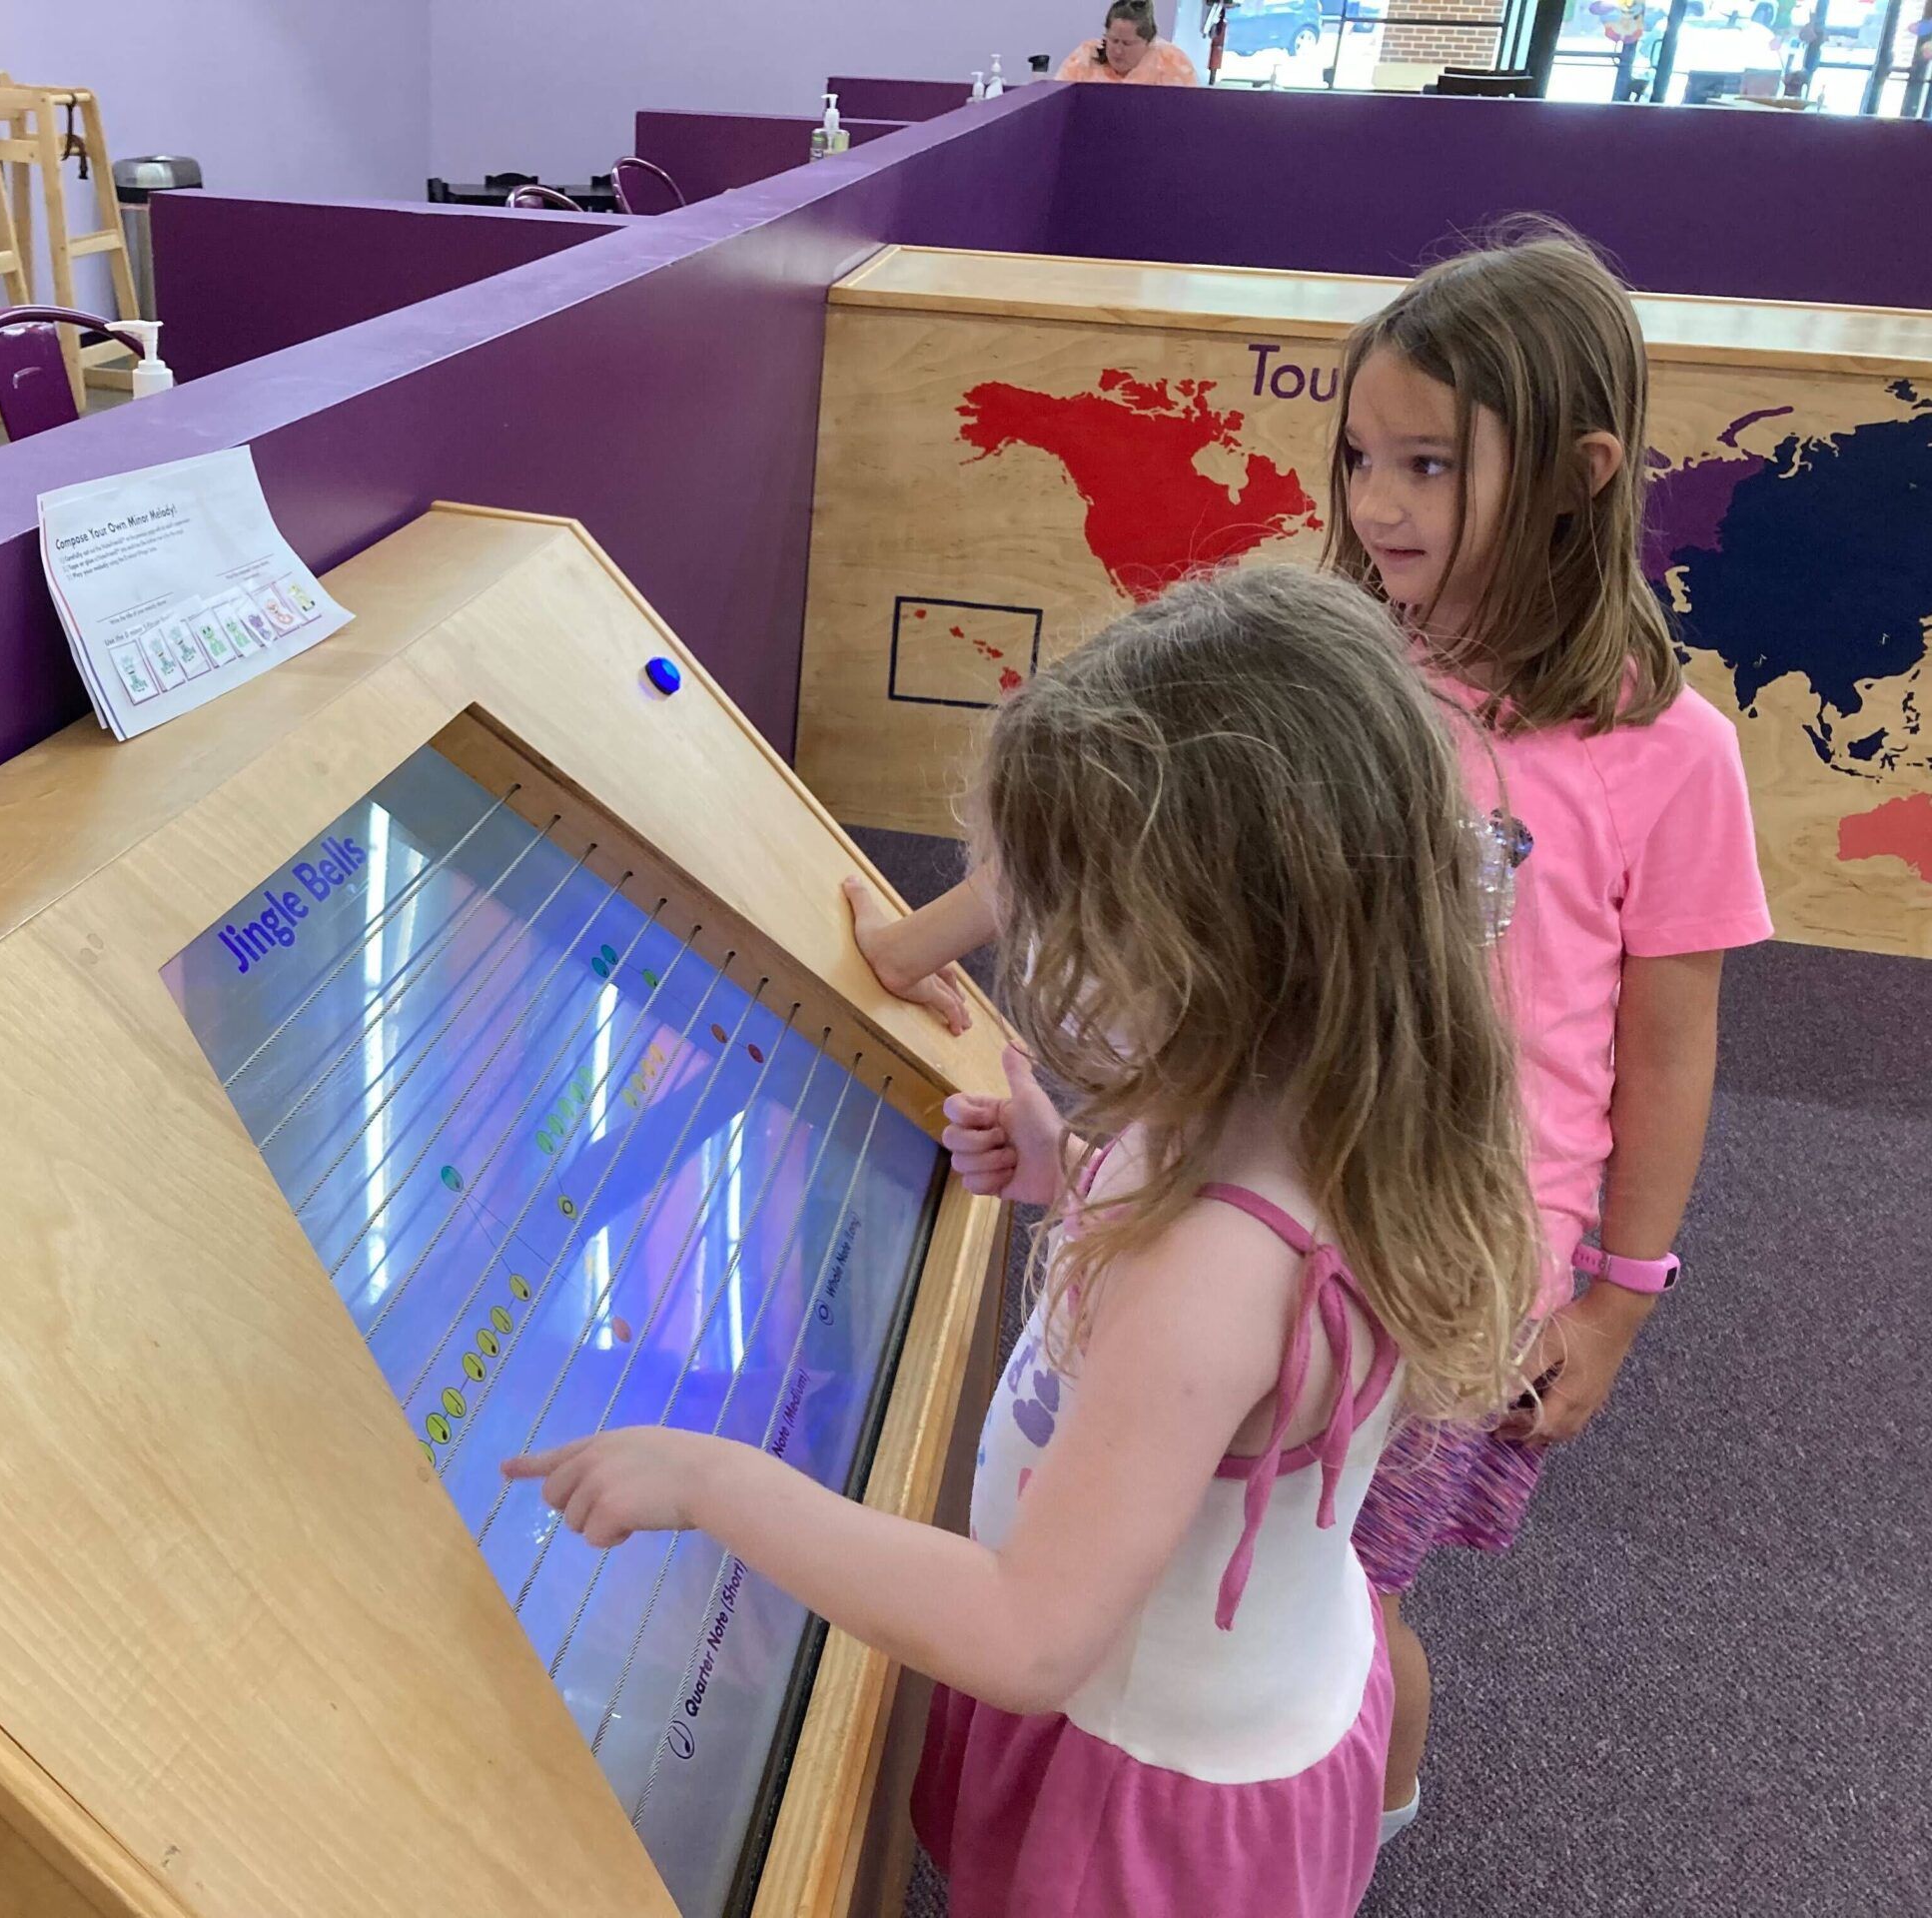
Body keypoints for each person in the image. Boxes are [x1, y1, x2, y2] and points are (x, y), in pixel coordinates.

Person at [842, 224, 1775, 1844]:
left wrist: (1621, 1302)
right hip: (1257, 1173)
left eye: (1430, 464)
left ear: (1580, 474)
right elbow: (1108, 813)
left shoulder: (1669, 752)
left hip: (1444, 1255)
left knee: (1331, 1594)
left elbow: (1671, 1047)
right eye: (1359, 458)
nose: (1378, 504)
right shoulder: (1338, 666)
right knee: (1172, 1531)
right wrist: (910, 946)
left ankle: (1344, 1824)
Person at [510, 565, 1542, 1916]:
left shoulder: (1210, 1269)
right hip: (1256, 1673)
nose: (1039, 956)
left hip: (1147, 1790)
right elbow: (1240, 1357)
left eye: (1076, 921)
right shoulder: (1318, 1094)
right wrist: (1072, 1173)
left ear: (1219, 947)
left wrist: (714, 1483)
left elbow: (1026, 1633)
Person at [1059, 0, 1204, 83]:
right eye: (1114, 40)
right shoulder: (1084, 59)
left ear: (1148, 41)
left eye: (1127, 44)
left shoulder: (1173, 63)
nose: (1118, 50)